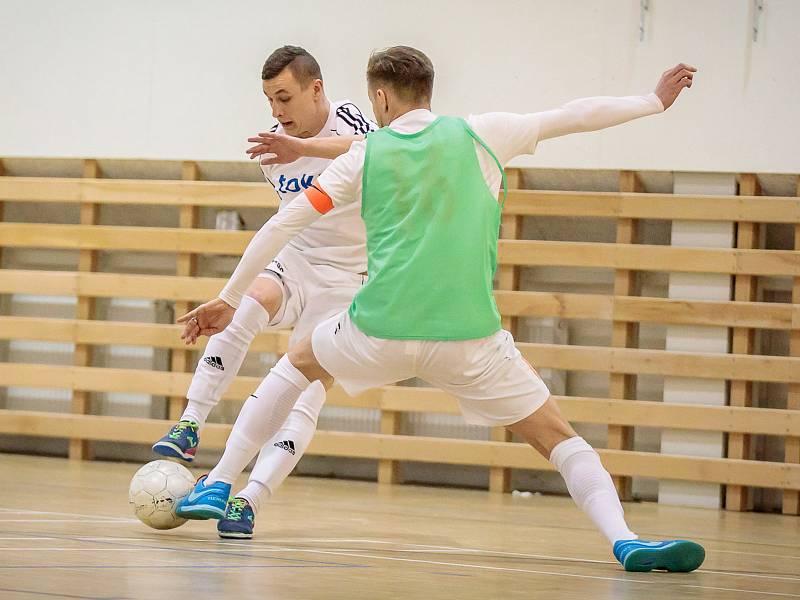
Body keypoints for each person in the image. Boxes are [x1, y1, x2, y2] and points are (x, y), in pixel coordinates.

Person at [176, 46, 704, 572]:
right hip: (469, 340)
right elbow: (575, 115)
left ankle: (221, 480)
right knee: (559, 438)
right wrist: (652, 102)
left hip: (378, 330)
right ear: (428, 90)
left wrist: (228, 297)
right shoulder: (483, 133)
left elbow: (282, 226)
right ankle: (626, 540)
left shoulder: (366, 154)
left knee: (295, 364)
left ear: (380, 98)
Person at [152, 45, 375, 539]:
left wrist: (304, 149)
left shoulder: (350, 119)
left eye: (285, 97)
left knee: (304, 389)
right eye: (269, 101)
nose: (277, 113)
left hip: (349, 278)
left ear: (316, 89)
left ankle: (248, 499)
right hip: (297, 259)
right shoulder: (273, 148)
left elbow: (371, 153)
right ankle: (190, 423)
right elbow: (287, 223)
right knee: (247, 303)